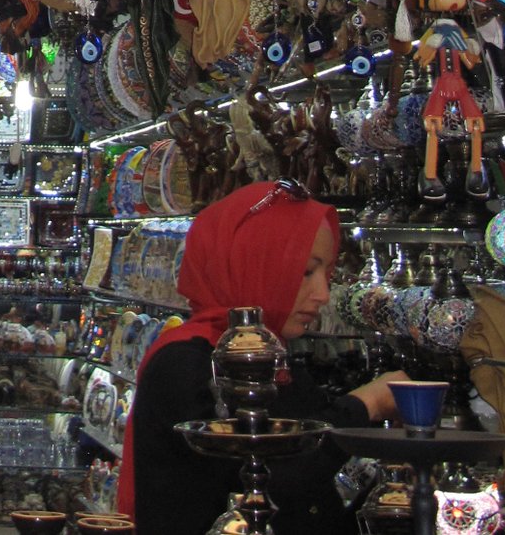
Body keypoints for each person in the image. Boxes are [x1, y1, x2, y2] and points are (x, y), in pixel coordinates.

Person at [119, 180, 407, 535]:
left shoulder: (276, 359)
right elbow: (271, 482)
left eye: (326, 273)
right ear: (253, 264)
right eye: (305, 272)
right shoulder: (186, 363)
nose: (322, 294)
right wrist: (367, 405)